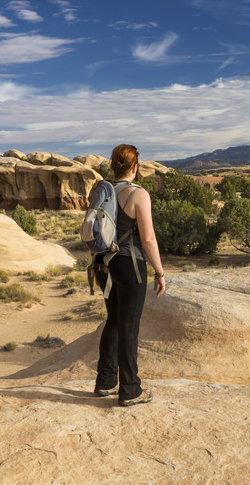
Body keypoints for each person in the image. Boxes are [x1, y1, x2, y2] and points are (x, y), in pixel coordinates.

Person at [93, 143, 166, 407]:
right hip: (129, 265)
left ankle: (105, 381)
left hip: (103, 265)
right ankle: (130, 389)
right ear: (135, 168)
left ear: (114, 166)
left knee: (113, 320)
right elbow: (147, 239)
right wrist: (159, 271)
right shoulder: (139, 194)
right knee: (128, 326)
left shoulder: (103, 191)